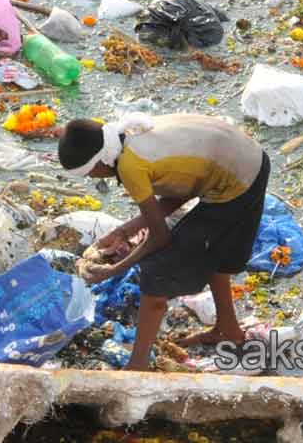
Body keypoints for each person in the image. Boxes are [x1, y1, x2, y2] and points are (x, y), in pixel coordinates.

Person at [57, 113, 270, 371]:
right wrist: (125, 231)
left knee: (157, 272)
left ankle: (138, 364)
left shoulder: (130, 167)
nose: (93, 179)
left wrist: (113, 270)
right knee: (217, 253)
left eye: (90, 174)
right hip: (250, 160)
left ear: (100, 161)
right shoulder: (129, 135)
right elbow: (184, 185)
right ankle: (228, 328)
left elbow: (160, 237)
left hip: (237, 181)